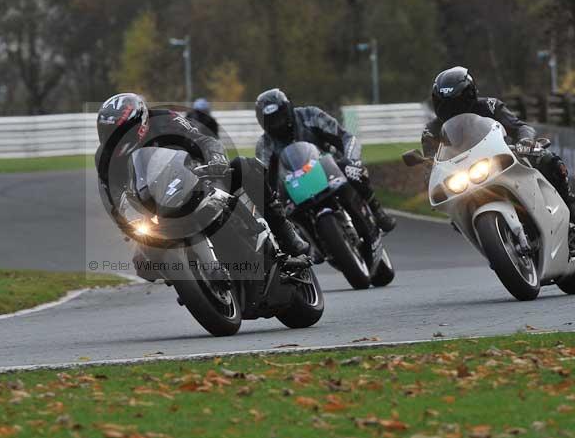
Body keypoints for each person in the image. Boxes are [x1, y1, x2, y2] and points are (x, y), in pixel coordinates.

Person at [95, 93, 312, 280]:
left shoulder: (164, 119)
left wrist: (215, 158)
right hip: (155, 205)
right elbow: (112, 197)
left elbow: (203, 139)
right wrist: (127, 222)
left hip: (196, 178)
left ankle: (286, 235)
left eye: (121, 131)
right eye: (109, 133)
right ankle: (190, 279)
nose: (116, 139)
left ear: (140, 123)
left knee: (247, 166)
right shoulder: (105, 158)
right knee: (143, 264)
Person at [422, 66, 575, 223]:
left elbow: (520, 127)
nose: (453, 110)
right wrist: (430, 176)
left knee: (548, 159)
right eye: (446, 105)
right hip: (464, 178)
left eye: (458, 103)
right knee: (454, 215)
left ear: (470, 95)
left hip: (503, 158)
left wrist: (525, 142)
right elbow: (430, 165)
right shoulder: (431, 130)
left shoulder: (489, 106)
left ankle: (569, 203)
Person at [254, 88, 397, 232]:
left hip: (329, 171)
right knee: (278, 218)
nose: (278, 124)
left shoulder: (310, 115)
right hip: (294, 188)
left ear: (288, 110)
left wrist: (352, 160)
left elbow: (346, 138)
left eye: (280, 117)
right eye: (272, 121)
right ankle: (305, 245)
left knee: (350, 168)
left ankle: (377, 210)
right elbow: (262, 177)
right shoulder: (264, 145)